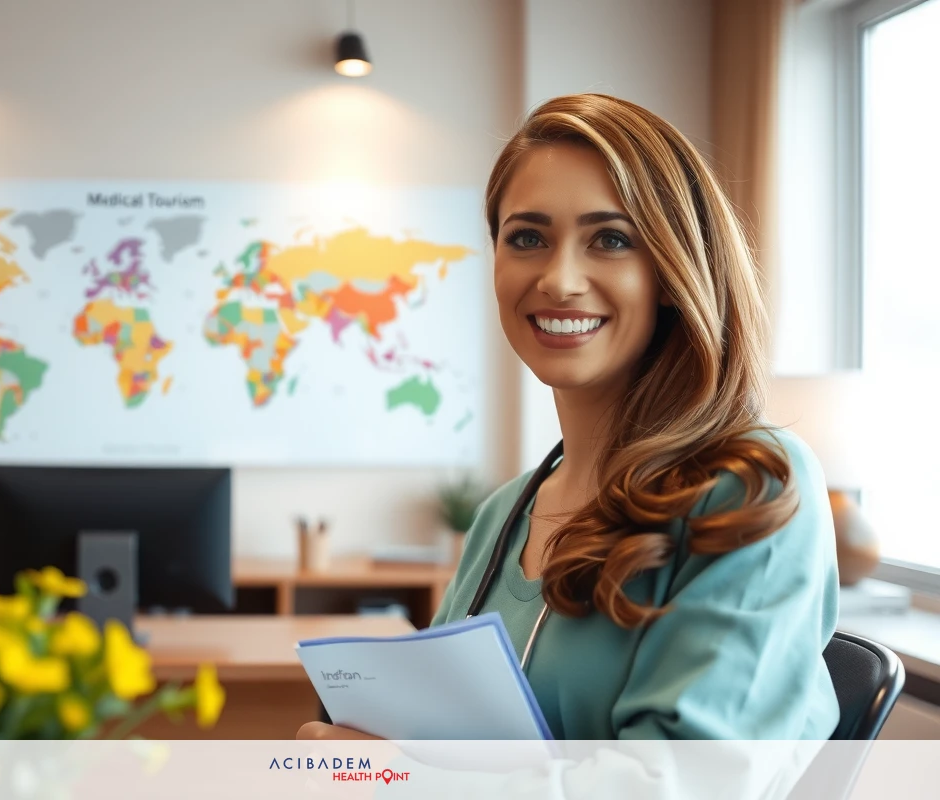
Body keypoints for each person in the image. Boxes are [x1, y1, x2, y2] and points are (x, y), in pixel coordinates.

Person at [299, 94, 840, 741]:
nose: (559, 279)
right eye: (527, 237)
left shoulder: (751, 487)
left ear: (670, 271)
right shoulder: (504, 515)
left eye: (609, 239)